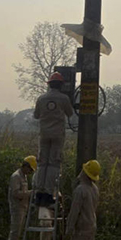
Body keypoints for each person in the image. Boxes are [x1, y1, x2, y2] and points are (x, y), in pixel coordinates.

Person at [33, 72, 74, 206]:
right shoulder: (64, 98)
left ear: (49, 85)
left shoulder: (41, 98)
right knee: (53, 164)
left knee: (42, 164)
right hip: (57, 135)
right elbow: (70, 113)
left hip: (44, 135)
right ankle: (48, 194)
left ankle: (38, 193)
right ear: (60, 85)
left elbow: (36, 115)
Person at [65, 160, 101, 240]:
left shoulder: (80, 190)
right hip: (91, 225)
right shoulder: (95, 189)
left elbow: (74, 212)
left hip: (82, 229)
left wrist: (69, 229)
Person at [6, 156, 37, 240]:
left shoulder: (24, 176)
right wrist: (30, 193)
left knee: (19, 231)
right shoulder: (16, 176)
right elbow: (15, 194)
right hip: (17, 208)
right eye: (30, 169)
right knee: (15, 231)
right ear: (25, 166)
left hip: (23, 207)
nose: (30, 172)